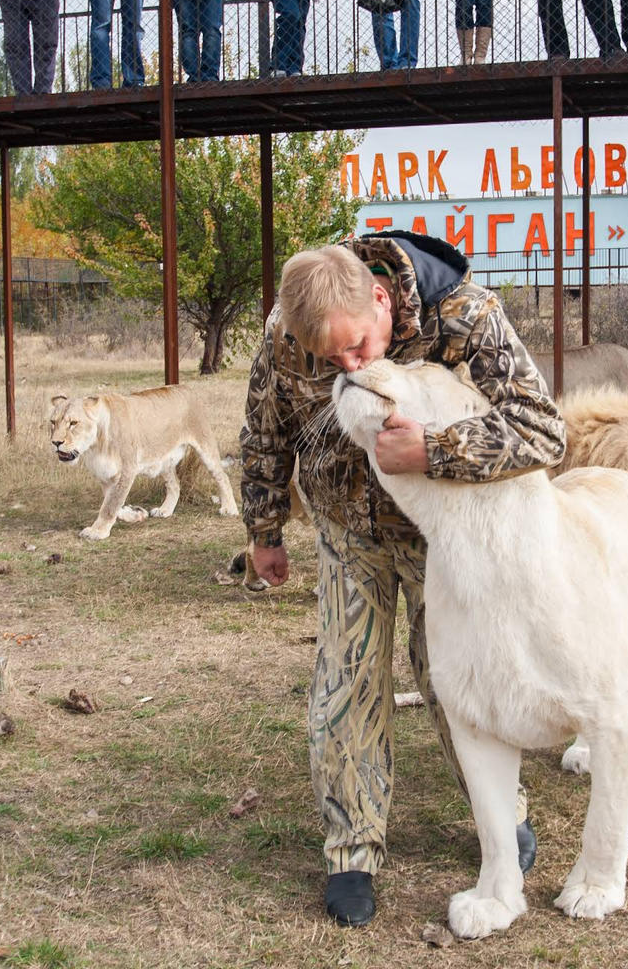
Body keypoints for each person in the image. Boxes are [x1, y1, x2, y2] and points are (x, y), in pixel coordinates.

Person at [238, 233, 564, 928]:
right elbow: (264, 427)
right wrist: (265, 528)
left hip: (439, 538)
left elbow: (543, 431)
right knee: (346, 684)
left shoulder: (465, 316)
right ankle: (352, 852)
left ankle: (501, 824)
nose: (350, 368)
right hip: (346, 533)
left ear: (381, 298)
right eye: (332, 361)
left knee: (455, 681)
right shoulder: (287, 331)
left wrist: (436, 449)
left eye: (359, 348)